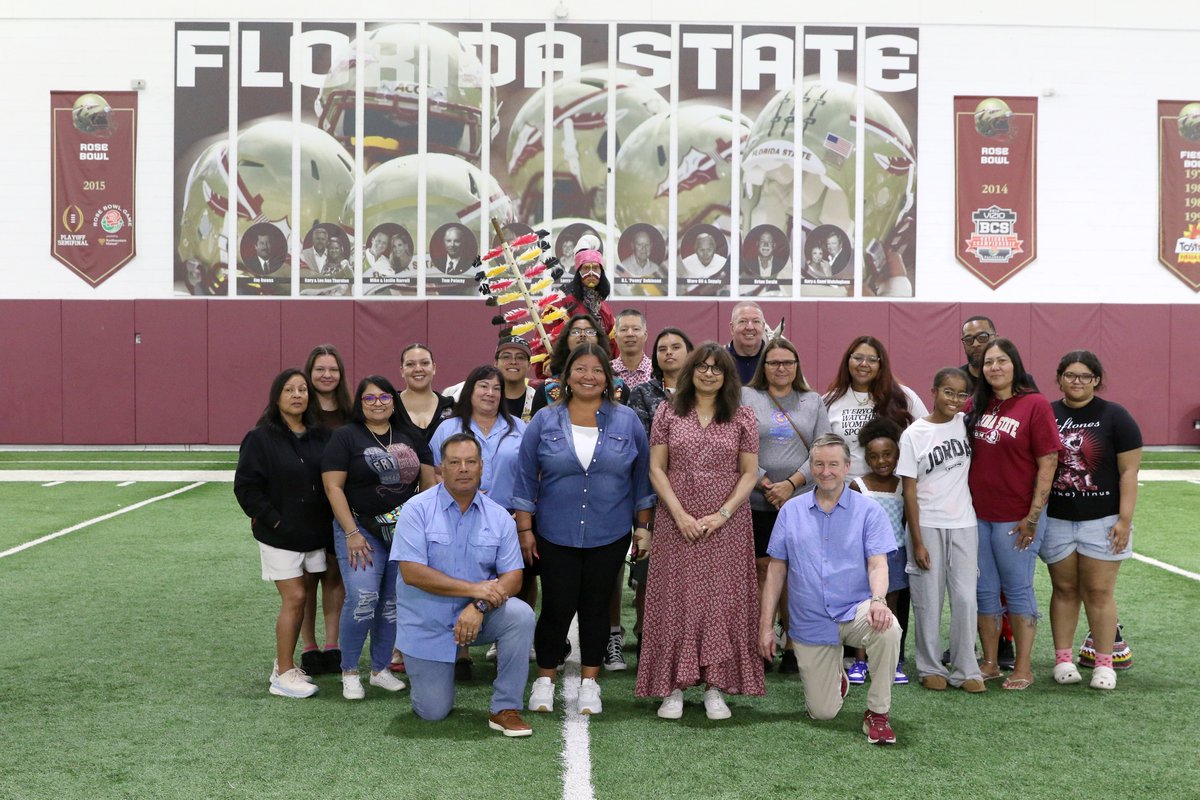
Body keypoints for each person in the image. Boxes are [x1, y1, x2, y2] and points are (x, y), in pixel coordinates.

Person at [512, 343, 654, 716]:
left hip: (610, 532)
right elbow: (525, 479)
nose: (588, 376)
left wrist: (643, 527)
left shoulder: (627, 421)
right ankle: (545, 678)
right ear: (566, 376)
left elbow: (642, 480)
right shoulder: (544, 419)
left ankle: (590, 683)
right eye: (580, 369)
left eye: (597, 370)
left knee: (595, 607)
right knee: (556, 605)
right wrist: (525, 530)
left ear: (608, 377)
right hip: (554, 531)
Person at [636, 343, 762, 720]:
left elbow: (749, 472)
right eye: (703, 367)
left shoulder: (743, 416)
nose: (709, 374)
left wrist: (721, 515)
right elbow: (657, 469)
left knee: (722, 601)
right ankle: (673, 686)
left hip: (728, 526)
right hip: (678, 524)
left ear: (727, 377)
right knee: (676, 600)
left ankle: (715, 687)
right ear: (691, 372)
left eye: (717, 369)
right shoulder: (667, 412)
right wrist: (679, 515)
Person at [758, 433, 902, 745]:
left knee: (888, 627)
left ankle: (877, 712)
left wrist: (879, 600)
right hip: (810, 620)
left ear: (847, 466)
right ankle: (836, 678)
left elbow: (878, 563)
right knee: (823, 712)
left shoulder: (869, 511)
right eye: (819, 464)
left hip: (855, 610)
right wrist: (766, 627)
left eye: (833, 464)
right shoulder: (791, 511)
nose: (826, 471)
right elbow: (776, 570)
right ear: (811, 466)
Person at [391, 433, 535, 735]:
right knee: (433, 712)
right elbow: (412, 572)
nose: (464, 468)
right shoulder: (416, 509)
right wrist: (474, 590)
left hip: (478, 616)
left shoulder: (499, 516)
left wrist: (480, 605)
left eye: (471, 462)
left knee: (520, 615)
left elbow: (514, 578)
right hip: (426, 623)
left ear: (482, 467)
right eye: (455, 462)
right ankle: (431, 676)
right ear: (441, 469)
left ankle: (505, 707)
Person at [322, 375, 437, 700]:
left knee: (392, 602)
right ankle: (350, 671)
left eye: (383, 397)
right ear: (359, 404)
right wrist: (352, 532)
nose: (377, 403)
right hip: (359, 531)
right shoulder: (345, 437)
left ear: (393, 400)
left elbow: (428, 484)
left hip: (404, 534)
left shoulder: (410, 435)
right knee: (363, 598)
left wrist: (418, 528)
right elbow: (333, 487)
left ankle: (380, 668)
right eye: (369, 398)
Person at [965, 338, 1062, 691]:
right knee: (985, 591)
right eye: (988, 362)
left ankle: (1023, 667)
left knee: (1018, 590)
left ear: (1015, 364)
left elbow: (1048, 461)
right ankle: (990, 662)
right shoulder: (980, 404)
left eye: (1001, 361)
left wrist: (1034, 516)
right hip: (978, 515)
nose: (994, 367)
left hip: (1016, 517)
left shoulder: (1034, 404)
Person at [1044, 351, 1141, 691]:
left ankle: (1104, 663)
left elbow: (1129, 472)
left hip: (1102, 520)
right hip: (1056, 519)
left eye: (1086, 376)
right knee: (1065, 589)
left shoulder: (1116, 416)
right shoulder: (1048, 413)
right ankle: (1063, 659)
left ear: (1097, 379)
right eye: (1071, 375)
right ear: (1059, 378)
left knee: (1099, 592)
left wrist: (1124, 520)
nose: (1078, 381)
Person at [234, 369, 332, 698]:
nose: (297, 395)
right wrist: (275, 521)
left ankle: (287, 665)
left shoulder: (320, 436)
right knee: (296, 597)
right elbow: (246, 488)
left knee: (307, 596)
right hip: (279, 535)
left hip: (313, 535)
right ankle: (283, 671)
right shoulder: (260, 438)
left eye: (302, 389)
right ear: (277, 397)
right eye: (289, 389)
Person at [429, 366, 528, 677]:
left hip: (507, 520)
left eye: (496, 388)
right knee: (462, 577)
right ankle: (460, 650)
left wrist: (523, 523)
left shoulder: (518, 429)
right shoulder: (449, 428)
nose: (490, 393)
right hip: (457, 516)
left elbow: (528, 477)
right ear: (470, 391)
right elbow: (434, 474)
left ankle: (503, 641)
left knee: (510, 578)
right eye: (482, 387)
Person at [740, 337, 830, 673]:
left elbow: (822, 449)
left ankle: (794, 643)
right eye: (774, 362)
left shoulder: (812, 400)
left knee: (798, 574)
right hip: (755, 499)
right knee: (763, 571)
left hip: (801, 502)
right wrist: (765, 483)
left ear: (797, 366)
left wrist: (790, 484)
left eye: (787, 363)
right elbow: (737, 441)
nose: (781, 368)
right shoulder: (747, 397)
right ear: (764, 367)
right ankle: (763, 642)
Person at [897, 368, 985, 693]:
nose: (955, 400)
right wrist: (917, 540)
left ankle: (966, 668)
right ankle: (929, 666)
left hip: (964, 523)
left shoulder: (966, 426)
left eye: (962, 395)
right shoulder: (914, 434)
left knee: (965, 599)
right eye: (949, 392)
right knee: (927, 600)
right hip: (927, 525)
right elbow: (909, 490)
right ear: (933, 391)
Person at [626, 327, 695, 645]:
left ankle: (688, 637)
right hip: (654, 494)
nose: (669, 352)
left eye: (676, 346)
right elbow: (643, 443)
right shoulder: (643, 393)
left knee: (692, 575)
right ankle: (646, 636)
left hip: (698, 495)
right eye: (662, 347)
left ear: (690, 353)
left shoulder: (705, 390)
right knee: (649, 571)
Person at [296, 345, 351, 675]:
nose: (327, 375)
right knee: (305, 580)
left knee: (334, 576)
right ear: (309, 371)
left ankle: (333, 645)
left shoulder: (350, 410)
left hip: (340, 504)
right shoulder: (297, 406)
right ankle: (309, 646)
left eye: (333, 369)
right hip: (305, 507)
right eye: (320, 369)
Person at [847, 418, 911, 686]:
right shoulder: (857, 486)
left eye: (887, 455)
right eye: (874, 456)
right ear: (866, 459)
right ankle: (860, 660)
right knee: (864, 606)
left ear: (897, 455)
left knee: (891, 607)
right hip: (864, 558)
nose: (881, 461)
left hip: (895, 556)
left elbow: (906, 521)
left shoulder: (902, 486)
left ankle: (891, 661)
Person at [823, 335, 927, 479]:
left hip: (896, 492)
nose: (864, 364)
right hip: (846, 491)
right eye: (858, 357)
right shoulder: (829, 401)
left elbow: (928, 436)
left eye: (872, 360)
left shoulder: (904, 396)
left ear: (881, 365)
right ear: (848, 361)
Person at [532, 313, 627, 413]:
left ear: (599, 339)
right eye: (575, 332)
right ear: (566, 340)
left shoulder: (618, 388)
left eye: (590, 332)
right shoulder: (547, 388)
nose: (582, 335)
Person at [398, 343, 455, 442]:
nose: (418, 369)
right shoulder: (390, 407)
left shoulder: (451, 407)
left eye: (424, 363)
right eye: (410, 364)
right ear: (402, 371)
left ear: (434, 368)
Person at [494, 335, 537, 423]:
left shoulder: (537, 400)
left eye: (520, 357)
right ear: (496, 363)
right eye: (506, 357)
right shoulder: (485, 397)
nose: (513, 362)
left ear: (529, 365)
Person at [726, 301, 768, 385]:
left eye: (756, 321)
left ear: (763, 327)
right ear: (732, 328)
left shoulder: (775, 360)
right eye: (743, 321)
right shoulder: (720, 360)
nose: (750, 327)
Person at [611, 309, 652, 389]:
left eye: (636, 329)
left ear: (645, 335)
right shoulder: (607, 370)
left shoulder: (656, 371)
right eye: (624, 330)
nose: (630, 334)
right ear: (615, 337)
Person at [959, 316, 998, 391]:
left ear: (996, 338)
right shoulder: (956, 381)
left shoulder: (1017, 381)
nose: (975, 344)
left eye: (982, 337)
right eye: (968, 339)